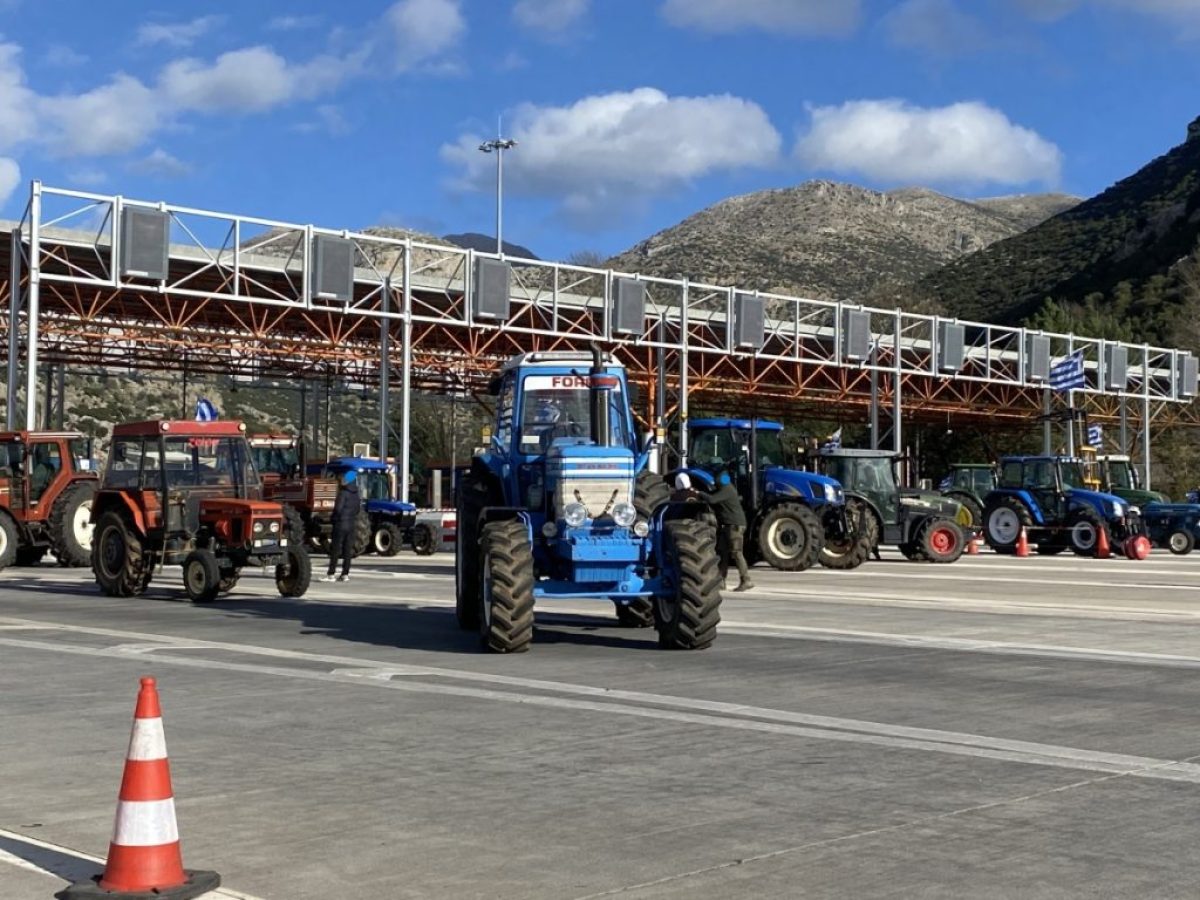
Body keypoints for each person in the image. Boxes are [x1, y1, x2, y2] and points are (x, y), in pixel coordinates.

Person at [708, 471, 753, 592]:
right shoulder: (727, 489)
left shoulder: (727, 490)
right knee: (722, 553)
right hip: (728, 526)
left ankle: (746, 580)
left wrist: (699, 493)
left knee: (736, 553)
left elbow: (712, 500)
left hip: (735, 527)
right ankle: (721, 581)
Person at [323, 469, 361, 583]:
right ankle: (345, 574)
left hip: (340, 523)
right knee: (347, 550)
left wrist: (333, 518)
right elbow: (358, 510)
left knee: (335, 549)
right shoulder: (356, 495)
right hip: (351, 524)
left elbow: (338, 509)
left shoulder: (343, 493)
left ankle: (331, 574)